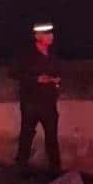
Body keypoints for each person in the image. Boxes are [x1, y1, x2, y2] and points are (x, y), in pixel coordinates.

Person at [13, 21, 63, 174]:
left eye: (51, 33)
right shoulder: (27, 55)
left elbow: (59, 73)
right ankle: (21, 167)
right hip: (31, 103)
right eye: (47, 34)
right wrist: (36, 79)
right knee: (27, 135)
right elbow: (15, 73)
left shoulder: (53, 55)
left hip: (49, 103)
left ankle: (55, 170)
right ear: (38, 36)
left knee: (52, 137)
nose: (51, 36)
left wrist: (56, 80)